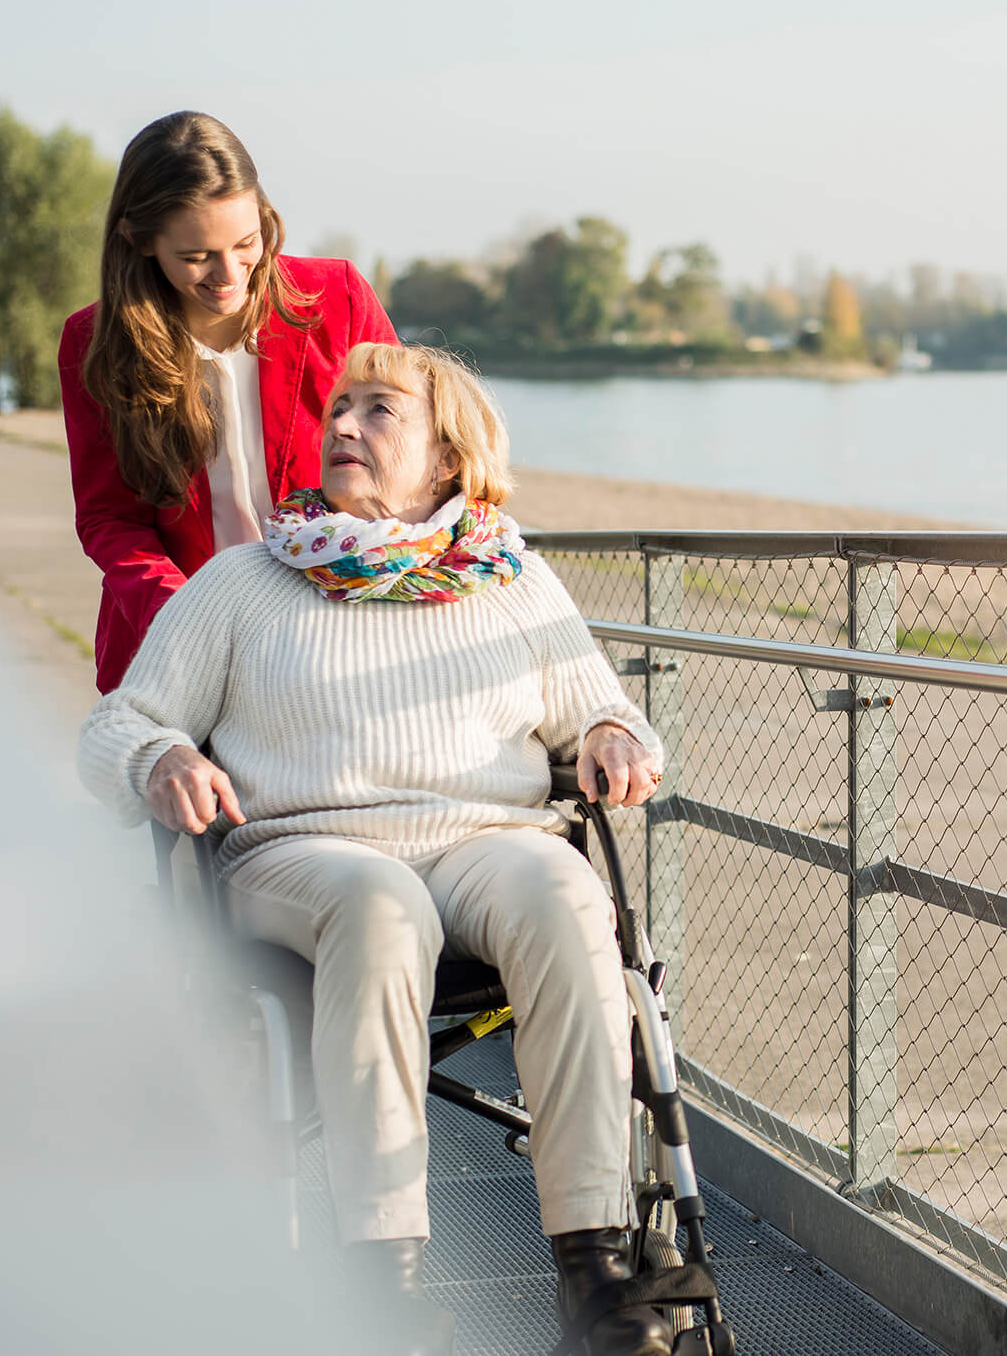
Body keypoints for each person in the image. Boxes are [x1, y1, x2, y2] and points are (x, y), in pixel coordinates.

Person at [78, 342, 675, 1356]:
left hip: (485, 841)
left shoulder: (514, 582)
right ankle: (384, 1284)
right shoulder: (245, 580)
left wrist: (619, 737)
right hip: (307, 855)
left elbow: (608, 717)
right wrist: (161, 760)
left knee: (568, 891)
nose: (344, 424)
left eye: (380, 410)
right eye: (339, 407)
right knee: (379, 903)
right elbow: (116, 727)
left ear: (447, 460)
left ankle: (597, 1272)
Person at [60, 110, 397, 693]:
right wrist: (190, 617)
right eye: (196, 257)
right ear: (139, 242)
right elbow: (109, 518)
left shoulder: (337, 296)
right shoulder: (93, 343)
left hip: (340, 641)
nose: (229, 274)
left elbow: (413, 445)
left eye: (246, 243)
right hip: (178, 654)